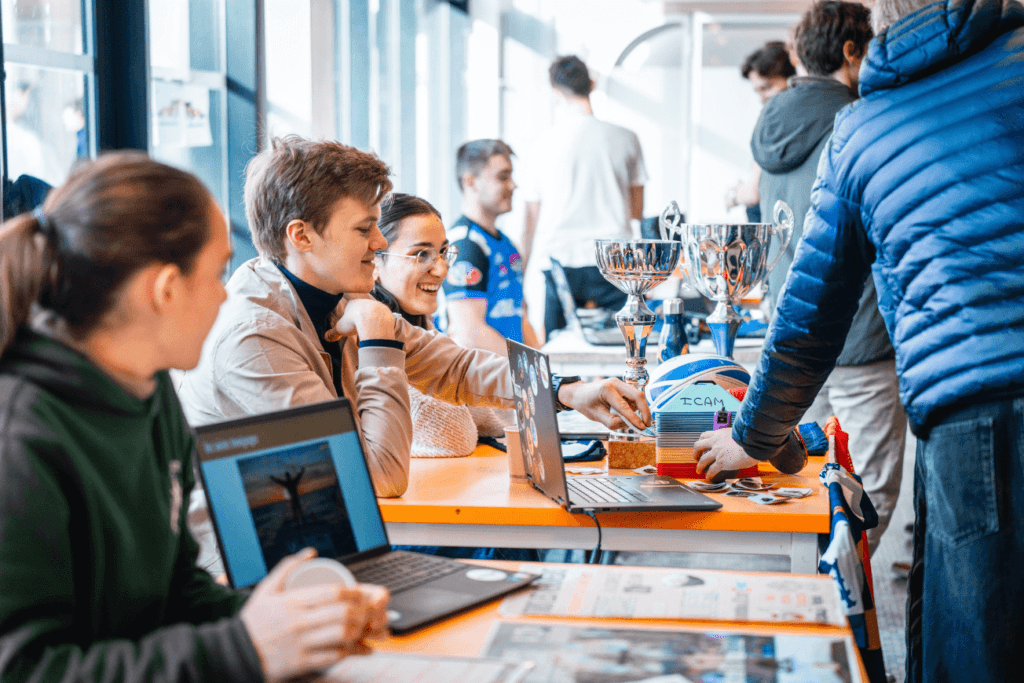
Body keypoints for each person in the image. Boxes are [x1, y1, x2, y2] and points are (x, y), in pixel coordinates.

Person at [693, 0, 1024, 679]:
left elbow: (810, 309)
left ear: (880, 27)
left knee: (972, 635)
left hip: (966, 405)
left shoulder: (866, 127)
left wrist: (754, 434)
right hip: (958, 390)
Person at [0, 153, 388, 683]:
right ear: (164, 290)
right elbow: (25, 670)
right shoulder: (19, 440)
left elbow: (174, 584)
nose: (226, 294)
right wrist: (243, 648)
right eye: (218, 272)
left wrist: (284, 624)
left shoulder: (147, 385)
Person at [176, 136, 652, 500]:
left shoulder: (337, 297)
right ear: (301, 236)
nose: (380, 243)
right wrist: (380, 342)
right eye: (364, 229)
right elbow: (379, 476)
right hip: (251, 587)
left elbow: (457, 368)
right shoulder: (255, 337)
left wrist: (570, 391)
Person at [746, 0, 907, 555]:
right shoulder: (863, 120)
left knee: (795, 479)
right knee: (873, 488)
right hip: (861, 332)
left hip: (790, 334)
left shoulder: (772, 124)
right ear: (850, 50)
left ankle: (808, 586)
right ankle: (839, 594)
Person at [519, 55, 647, 340]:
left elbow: (531, 221)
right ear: (592, 84)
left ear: (555, 92)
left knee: (559, 354)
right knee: (625, 346)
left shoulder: (543, 144)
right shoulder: (626, 137)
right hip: (615, 260)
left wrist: (520, 278)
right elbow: (637, 212)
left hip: (560, 260)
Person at [372, 192, 507, 457]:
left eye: (443, 252)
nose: (442, 269)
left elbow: (488, 423)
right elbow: (454, 434)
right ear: (373, 261)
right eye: (421, 254)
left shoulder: (421, 324)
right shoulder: (371, 330)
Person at [442, 139, 538, 354]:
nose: (513, 185)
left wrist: (546, 372)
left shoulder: (506, 244)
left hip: (509, 376)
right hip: (481, 380)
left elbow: (521, 317)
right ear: (471, 182)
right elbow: (468, 333)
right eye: (503, 177)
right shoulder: (465, 246)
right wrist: (530, 369)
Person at [726, 41, 797, 221]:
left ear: (793, 77)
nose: (762, 98)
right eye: (757, 91)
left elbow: (752, 193)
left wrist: (734, 195)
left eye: (767, 87)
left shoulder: (777, 120)